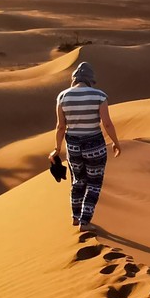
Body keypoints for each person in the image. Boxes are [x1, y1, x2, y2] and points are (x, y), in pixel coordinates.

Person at [49, 61, 121, 230]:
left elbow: (60, 126)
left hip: (73, 146)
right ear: (90, 80)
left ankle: (75, 217)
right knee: (94, 183)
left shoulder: (62, 96)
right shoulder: (99, 96)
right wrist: (116, 142)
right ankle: (85, 221)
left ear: (74, 79)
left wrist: (57, 149)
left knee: (78, 181)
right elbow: (107, 123)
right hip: (95, 145)